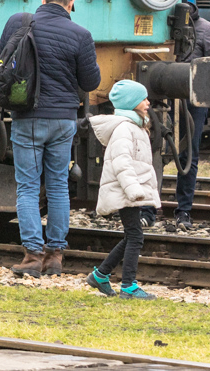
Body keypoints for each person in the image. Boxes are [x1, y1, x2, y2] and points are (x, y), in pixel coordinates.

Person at [0, 0, 100, 278]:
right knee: (58, 186)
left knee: (28, 186)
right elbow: (91, 82)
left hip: (28, 117)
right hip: (63, 119)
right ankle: (55, 256)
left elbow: (0, 60)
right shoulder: (81, 34)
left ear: (44, 0)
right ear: (70, 5)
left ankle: (32, 256)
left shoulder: (20, 24)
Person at [87, 80, 160, 299]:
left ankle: (100, 275)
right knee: (135, 236)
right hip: (126, 192)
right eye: (143, 99)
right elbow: (121, 163)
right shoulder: (124, 129)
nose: (148, 102)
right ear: (132, 103)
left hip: (130, 191)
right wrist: (134, 189)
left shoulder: (135, 127)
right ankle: (128, 286)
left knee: (132, 236)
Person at [172, 2, 210, 227]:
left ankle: (183, 210)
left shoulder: (205, 29)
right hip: (160, 96)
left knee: (189, 155)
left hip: (192, 100)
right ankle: (148, 208)